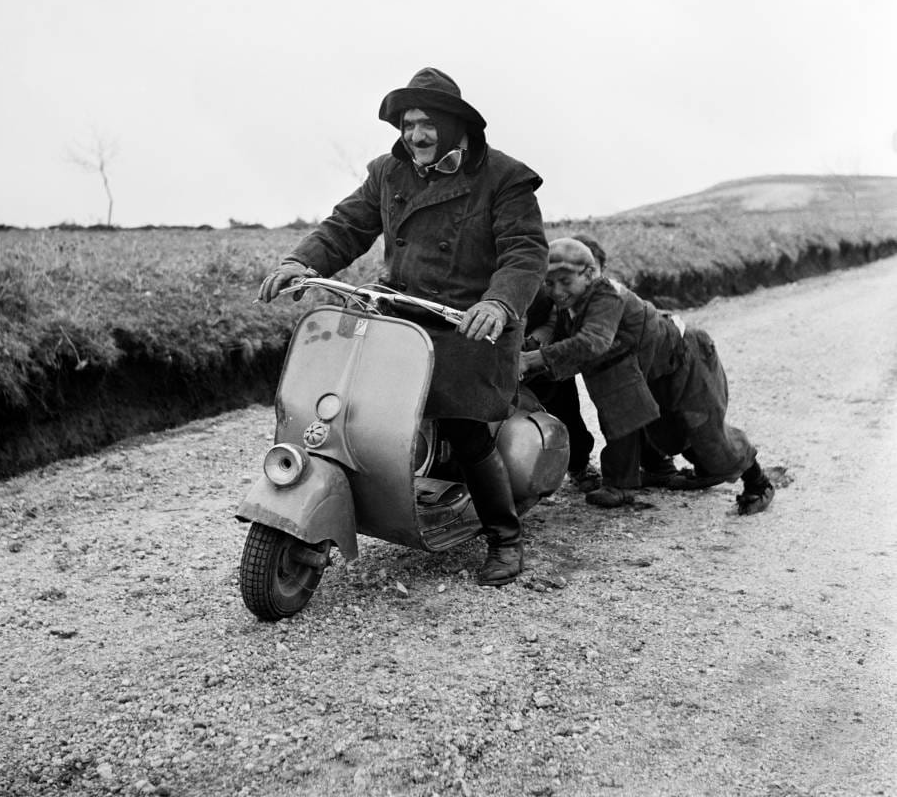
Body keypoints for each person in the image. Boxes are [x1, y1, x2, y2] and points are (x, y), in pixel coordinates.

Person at [258, 67, 549, 585]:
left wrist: (499, 304)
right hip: (399, 317)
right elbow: (347, 226)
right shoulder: (387, 173)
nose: (415, 134)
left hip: (468, 323)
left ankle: (504, 537)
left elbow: (524, 252)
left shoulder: (504, 178)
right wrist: (302, 262)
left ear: (457, 124)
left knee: (464, 426)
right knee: (355, 406)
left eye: (427, 122)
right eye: (407, 123)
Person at [519, 237, 775, 514]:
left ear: (589, 274)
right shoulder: (570, 304)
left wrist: (532, 359)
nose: (556, 291)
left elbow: (592, 342)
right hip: (644, 368)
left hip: (687, 358)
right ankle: (635, 479)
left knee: (704, 429)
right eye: (549, 283)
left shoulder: (607, 296)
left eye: (565, 281)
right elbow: (568, 349)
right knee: (632, 419)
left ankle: (758, 483)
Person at [521, 234, 606, 492]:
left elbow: (556, 321)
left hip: (548, 365)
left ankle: (579, 465)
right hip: (509, 357)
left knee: (567, 413)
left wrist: (534, 348)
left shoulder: (562, 292)